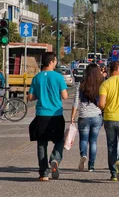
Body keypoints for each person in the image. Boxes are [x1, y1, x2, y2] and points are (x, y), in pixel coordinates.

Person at [28, 52, 68, 181]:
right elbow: (65, 96)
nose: (56, 63)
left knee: (41, 144)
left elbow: (30, 97)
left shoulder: (37, 77)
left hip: (41, 114)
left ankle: (43, 173)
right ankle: (55, 158)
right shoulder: (58, 77)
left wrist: (41, 94)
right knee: (60, 140)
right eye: (55, 61)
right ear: (51, 62)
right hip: (56, 114)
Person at [70, 63, 103, 172]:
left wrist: (72, 117)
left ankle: (83, 155)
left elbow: (75, 102)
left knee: (83, 139)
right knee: (93, 141)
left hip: (84, 115)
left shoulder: (81, 85)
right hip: (97, 116)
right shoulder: (101, 85)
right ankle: (91, 166)